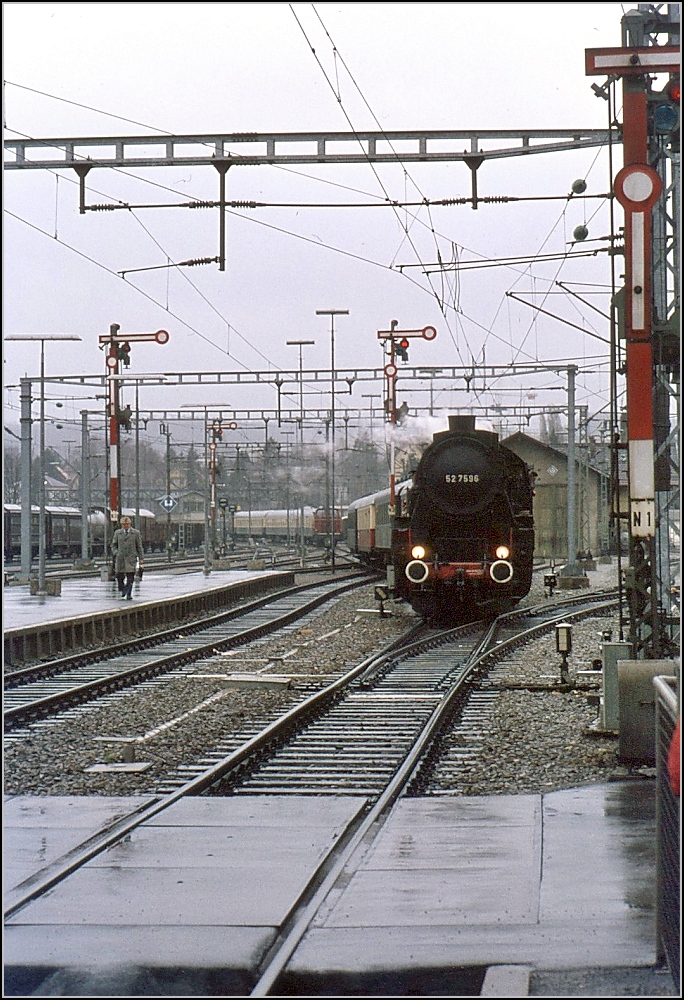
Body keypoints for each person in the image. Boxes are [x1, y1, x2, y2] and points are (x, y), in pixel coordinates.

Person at [111, 515, 144, 599]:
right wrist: (116, 553)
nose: (125, 526)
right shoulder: (117, 533)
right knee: (119, 576)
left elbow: (139, 546)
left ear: (130, 524)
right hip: (120, 558)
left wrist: (141, 558)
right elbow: (113, 545)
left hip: (131, 558)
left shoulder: (136, 533)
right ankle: (122, 588)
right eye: (124, 524)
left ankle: (128, 594)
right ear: (122, 525)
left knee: (130, 577)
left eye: (127, 524)